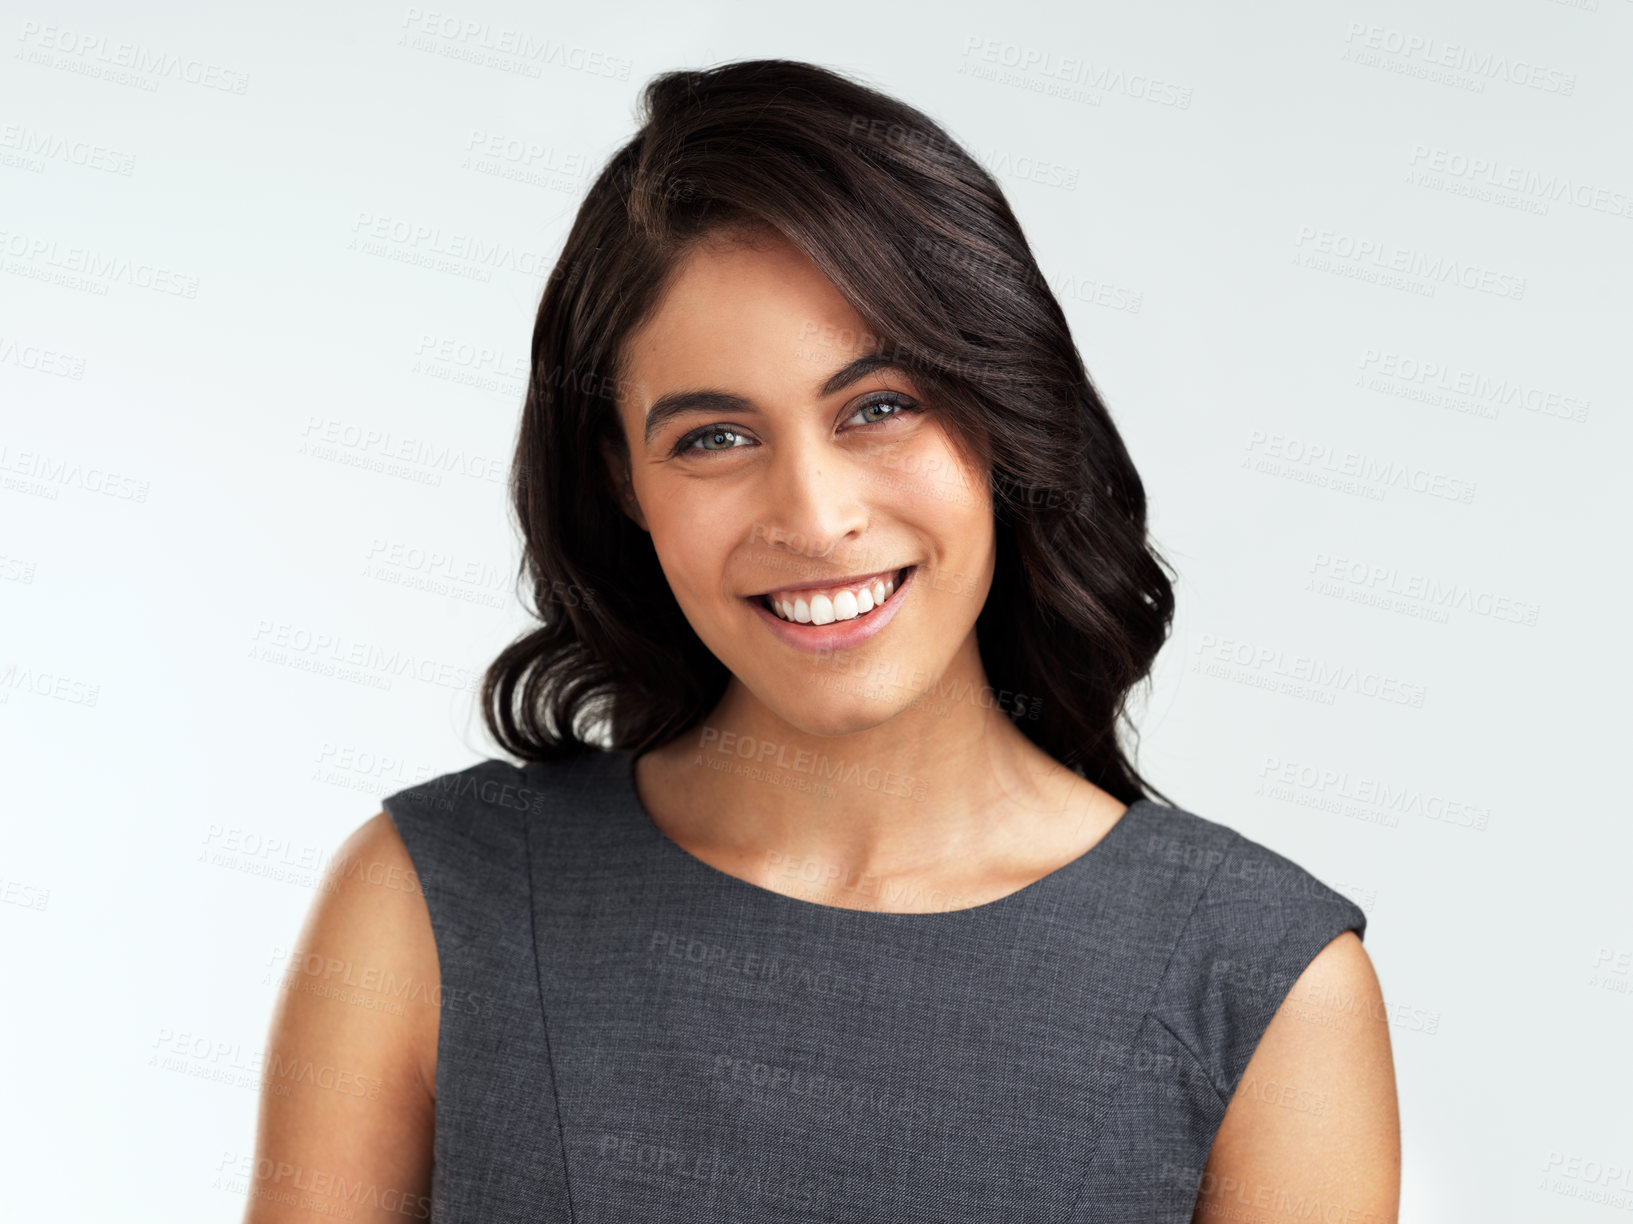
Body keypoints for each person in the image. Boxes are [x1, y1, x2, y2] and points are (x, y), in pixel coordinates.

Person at [246, 59, 1399, 1223]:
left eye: (880, 407)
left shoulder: (1260, 985)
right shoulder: (430, 902)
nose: (814, 516)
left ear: (1000, 417)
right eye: (713, 437)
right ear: (626, 483)